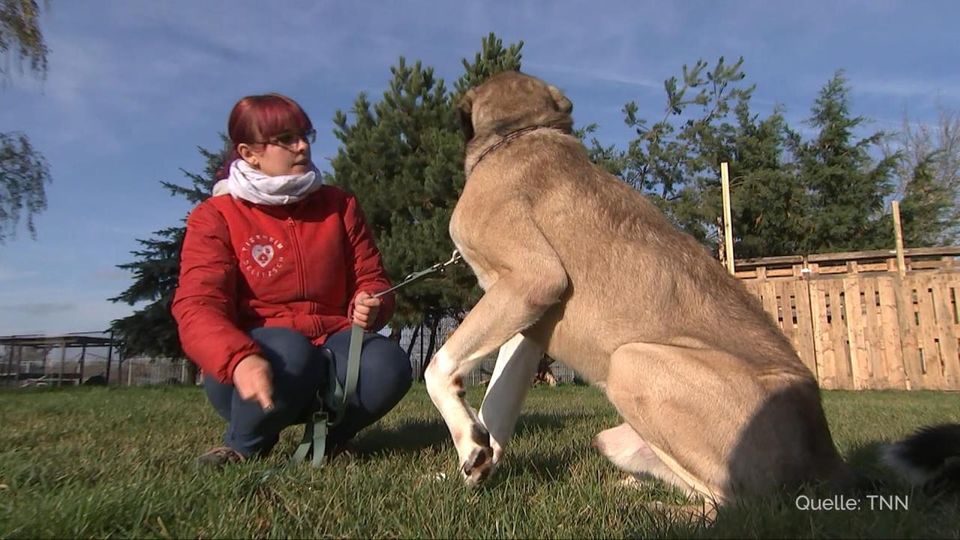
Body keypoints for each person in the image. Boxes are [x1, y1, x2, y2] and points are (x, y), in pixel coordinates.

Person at [172, 93, 412, 466]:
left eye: (304, 135)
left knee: (389, 363)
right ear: (249, 153)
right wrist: (238, 359)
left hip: (332, 345)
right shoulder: (216, 215)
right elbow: (197, 305)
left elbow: (371, 276)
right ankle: (242, 446)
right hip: (257, 361)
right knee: (290, 350)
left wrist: (373, 301)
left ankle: (328, 442)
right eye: (286, 139)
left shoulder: (339, 205)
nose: (302, 146)